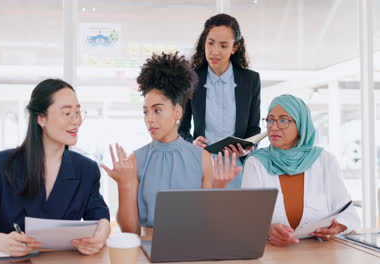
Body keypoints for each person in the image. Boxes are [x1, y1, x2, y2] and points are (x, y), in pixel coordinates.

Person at [102, 52, 241, 239]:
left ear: (177, 112)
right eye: (146, 112)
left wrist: (218, 188)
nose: (149, 119)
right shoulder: (136, 159)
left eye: (157, 110)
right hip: (148, 245)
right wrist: (125, 185)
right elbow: (131, 232)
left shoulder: (202, 158)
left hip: (193, 246)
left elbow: (209, 224)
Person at [0, 79, 110, 256]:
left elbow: (101, 219)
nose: (76, 121)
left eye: (78, 112)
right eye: (67, 113)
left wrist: (100, 236)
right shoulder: (2, 164)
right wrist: (3, 242)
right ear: (41, 118)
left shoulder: (86, 169)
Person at [241, 94, 360, 247]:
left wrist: (337, 227)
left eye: (283, 120)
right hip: (273, 254)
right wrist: (267, 230)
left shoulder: (325, 160)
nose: (274, 127)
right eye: (270, 120)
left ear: (301, 125)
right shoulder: (256, 162)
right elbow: (247, 220)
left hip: (321, 253)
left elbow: (349, 214)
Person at [179, 13, 261, 188]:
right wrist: (191, 144)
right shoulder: (192, 79)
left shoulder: (250, 80)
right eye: (210, 43)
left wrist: (248, 148)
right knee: (205, 213)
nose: (215, 51)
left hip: (238, 168)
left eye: (223, 46)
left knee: (236, 214)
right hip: (203, 166)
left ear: (234, 47)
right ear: (204, 42)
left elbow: (254, 128)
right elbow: (182, 129)